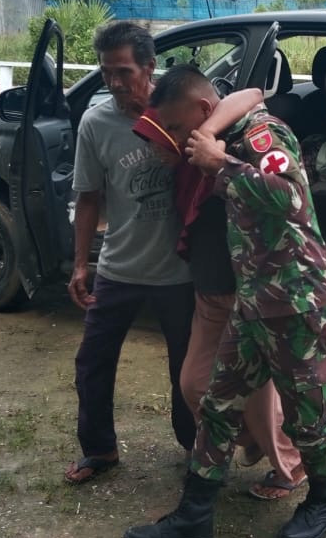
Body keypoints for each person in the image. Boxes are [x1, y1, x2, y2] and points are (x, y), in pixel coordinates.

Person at [123, 65, 326, 538]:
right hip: (255, 303)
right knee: (219, 406)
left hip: (297, 302)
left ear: (204, 111)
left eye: (179, 128)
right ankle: (193, 519)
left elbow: (288, 197)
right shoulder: (229, 131)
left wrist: (220, 166)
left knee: (308, 418)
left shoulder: (263, 134)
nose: (179, 141)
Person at [132, 91, 307, 501]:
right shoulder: (187, 166)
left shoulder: (233, 144)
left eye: (172, 132)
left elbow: (251, 96)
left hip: (245, 295)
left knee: (258, 398)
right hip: (209, 294)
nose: (166, 144)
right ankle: (245, 446)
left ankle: (288, 466)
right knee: (194, 383)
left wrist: (213, 147)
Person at [64, 21, 195, 485]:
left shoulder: (179, 110)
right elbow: (89, 198)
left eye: (124, 72)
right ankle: (99, 448)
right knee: (92, 361)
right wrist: (82, 264)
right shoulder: (96, 122)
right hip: (119, 266)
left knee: (187, 368)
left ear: (149, 67)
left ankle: (193, 446)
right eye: (107, 73)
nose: (116, 83)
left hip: (180, 271)